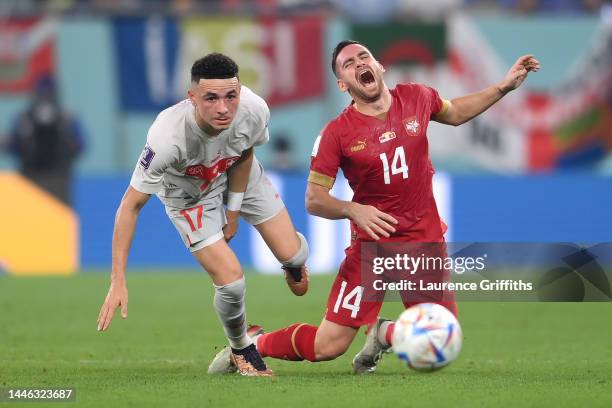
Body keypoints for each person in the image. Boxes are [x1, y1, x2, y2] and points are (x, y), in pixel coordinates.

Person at [209, 40, 539, 374]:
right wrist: (354, 210)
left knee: (441, 337)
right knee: (329, 347)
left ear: (379, 66)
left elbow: (454, 113)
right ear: (343, 84)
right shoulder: (337, 133)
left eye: (363, 57)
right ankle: (253, 345)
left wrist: (502, 87)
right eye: (348, 64)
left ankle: (383, 332)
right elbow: (314, 199)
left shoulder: (416, 96)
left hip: (423, 240)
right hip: (373, 248)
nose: (358, 64)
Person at [96, 53, 309, 377]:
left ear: (240, 92)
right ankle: (242, 349)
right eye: (211, 98)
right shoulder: (167, 137)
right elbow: (130, 205)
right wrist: (118, 280)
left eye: (230, 96)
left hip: (238, 174)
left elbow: (244, 151)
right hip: (189, 197)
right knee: (232, 283)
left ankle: (293, 263)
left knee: (293, 253)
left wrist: (233, 210)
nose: (223, 108)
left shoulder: (253, 110)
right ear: (192, 98)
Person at [8, 76, 84, 206]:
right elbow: (13, 145)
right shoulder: (24, 119)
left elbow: (81, 145)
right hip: (30, 178)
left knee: (59, 219)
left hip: (58, 179)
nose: (45, 97)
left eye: (49, 94)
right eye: (42, 93)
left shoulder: (67, 119)